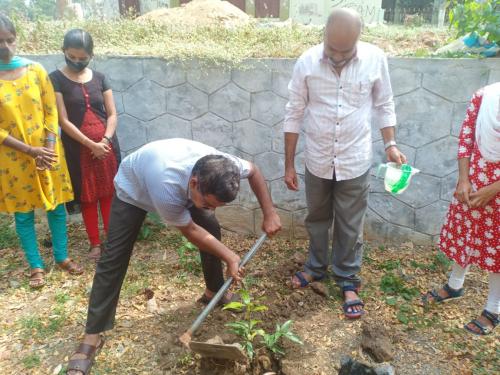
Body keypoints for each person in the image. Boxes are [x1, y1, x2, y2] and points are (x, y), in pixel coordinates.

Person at [65, 138, 282, 374]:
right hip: (133, 190)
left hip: (174, 182)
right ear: (194, 182)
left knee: (211, 226)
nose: (212, 209)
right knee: (114, 258)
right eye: (208, 203)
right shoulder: (167, 184)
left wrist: (269, 212)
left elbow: (255, 171)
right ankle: (92, 335)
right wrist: (231, 256)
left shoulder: (225, 167)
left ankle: (214, 292)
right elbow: (189, 230)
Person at [283, 8, 406, 319]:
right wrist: (288, 164)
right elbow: (294, 111)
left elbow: (384, 103)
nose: (337, 57)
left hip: (355, 159)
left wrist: (390, 145)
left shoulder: (376, 58)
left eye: (345, 51)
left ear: (358, 39)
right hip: (317, 159)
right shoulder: (307, 61)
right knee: (317, 218)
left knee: (350, 225)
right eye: (332, 49)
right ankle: (315, 267)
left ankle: (348, 279)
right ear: (323, 34)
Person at [0, 14, 82, 288]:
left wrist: (47, 146)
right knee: (23, 214)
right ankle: (36, 265)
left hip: (47, 152)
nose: (7, 47)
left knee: (56, 207)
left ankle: (62, 257)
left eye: (10, 40)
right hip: (13, 157)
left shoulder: (35, 70)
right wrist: (29, 150)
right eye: (0, 42)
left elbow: (50, 110)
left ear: (17, 39)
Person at [422, 82, 499, 335]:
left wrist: (493, 189)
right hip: (472, 186)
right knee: (463, 238)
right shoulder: (484, 96)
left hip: (495, 193)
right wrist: (464, 179)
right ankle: (455, 285)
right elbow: (466, 139)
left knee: (497, 252)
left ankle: (493, 310)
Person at [50, 29, 120, 261]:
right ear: (64, 52)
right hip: (78, 150)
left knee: (108, 193)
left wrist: (105, 141)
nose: (77, 62)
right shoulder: (56, 79)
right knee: (87, 197)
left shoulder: (100, 77)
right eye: (72, 57)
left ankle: (111, 240)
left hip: (107, 148)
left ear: (91, 55)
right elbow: (63, 120)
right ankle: (95, 244)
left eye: (83, 58)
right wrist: (91, 145)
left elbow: (112, 114)